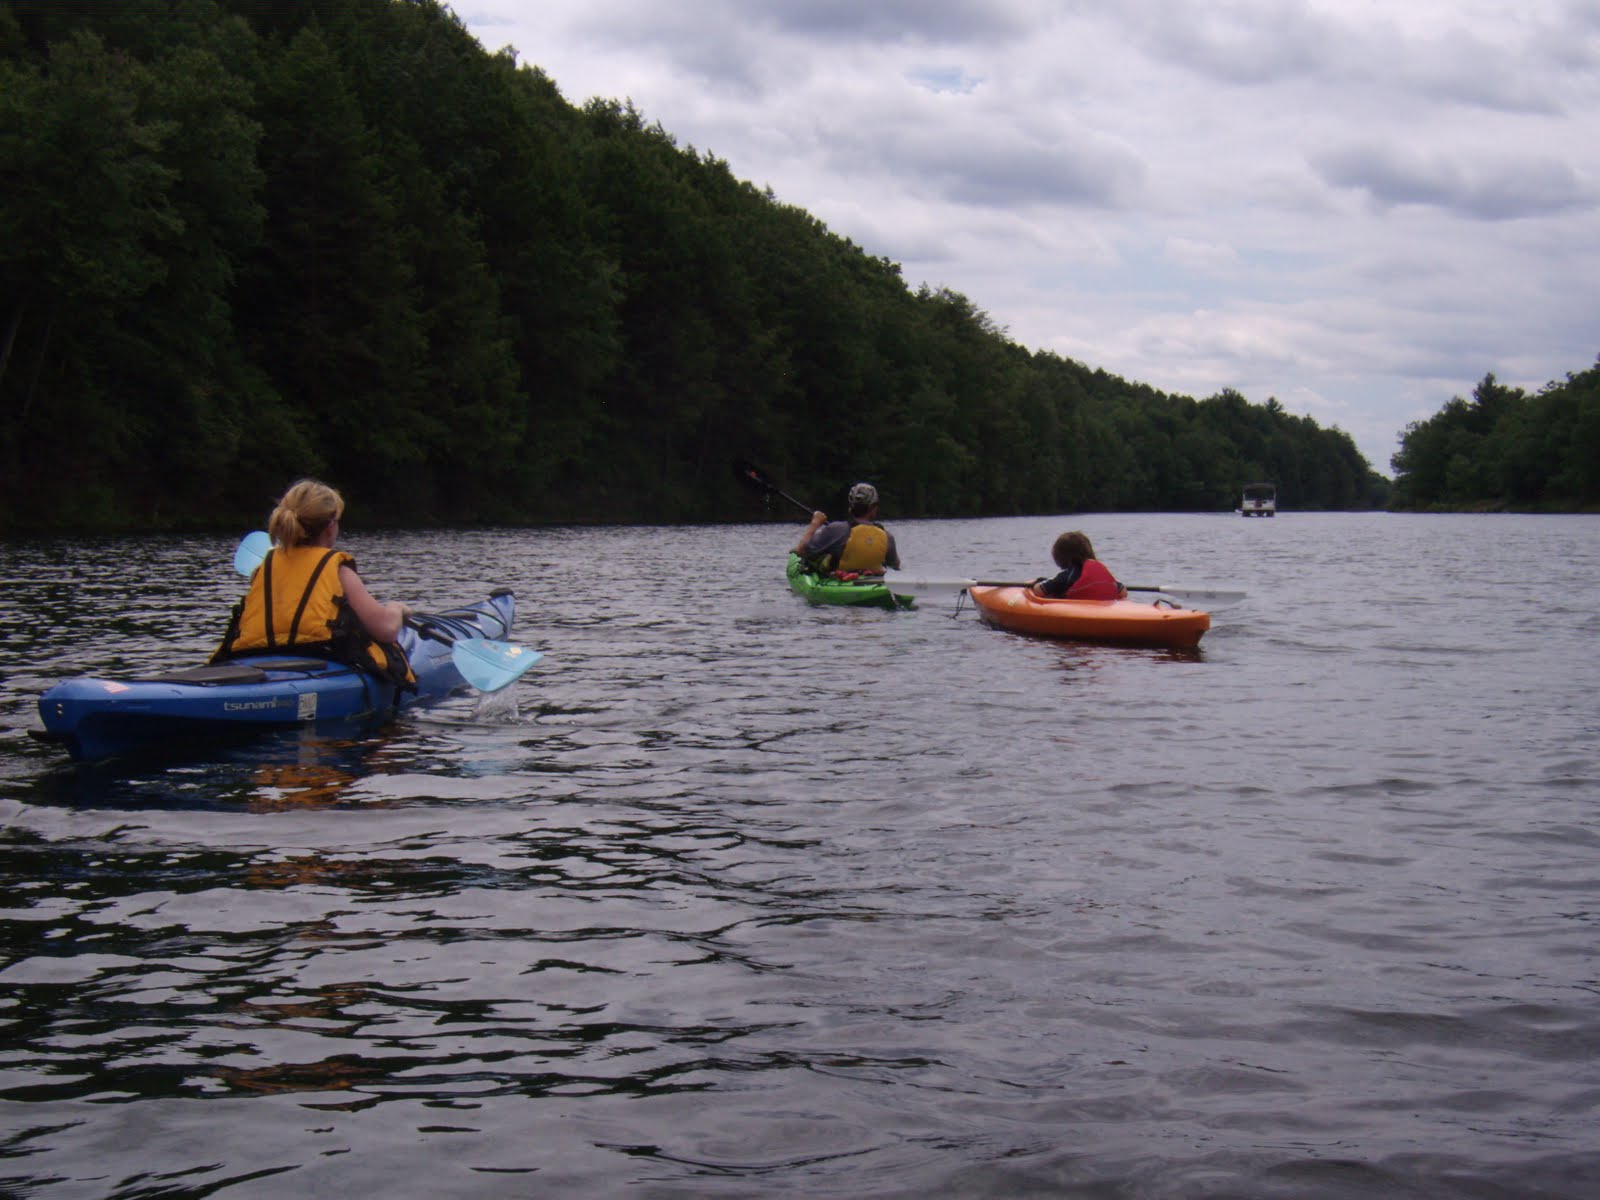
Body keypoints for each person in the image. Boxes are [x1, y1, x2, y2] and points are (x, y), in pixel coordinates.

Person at [213, 479, 415, 686]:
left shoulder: (263, 569)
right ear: (330, 527)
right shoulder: (338, 570)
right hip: (323, 657)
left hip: (256, 656)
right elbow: (386, 629)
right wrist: (396, 608)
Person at [793, 481, 901, 576]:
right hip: (874, 581)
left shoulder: (835, 530)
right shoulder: (886, 536)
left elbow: (801, 550)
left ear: (850, 507)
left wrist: (815, 523)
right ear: (874, 508)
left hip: (841, 580)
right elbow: (895, 565)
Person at [1030, 530, 1127, 600]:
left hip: (1079, 612)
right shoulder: (1099, 572)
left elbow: (1038, 591)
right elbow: (1123, 592)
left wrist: (1038, 582)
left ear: (1061, 556)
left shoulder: (1065, 577)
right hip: (1102, 610)